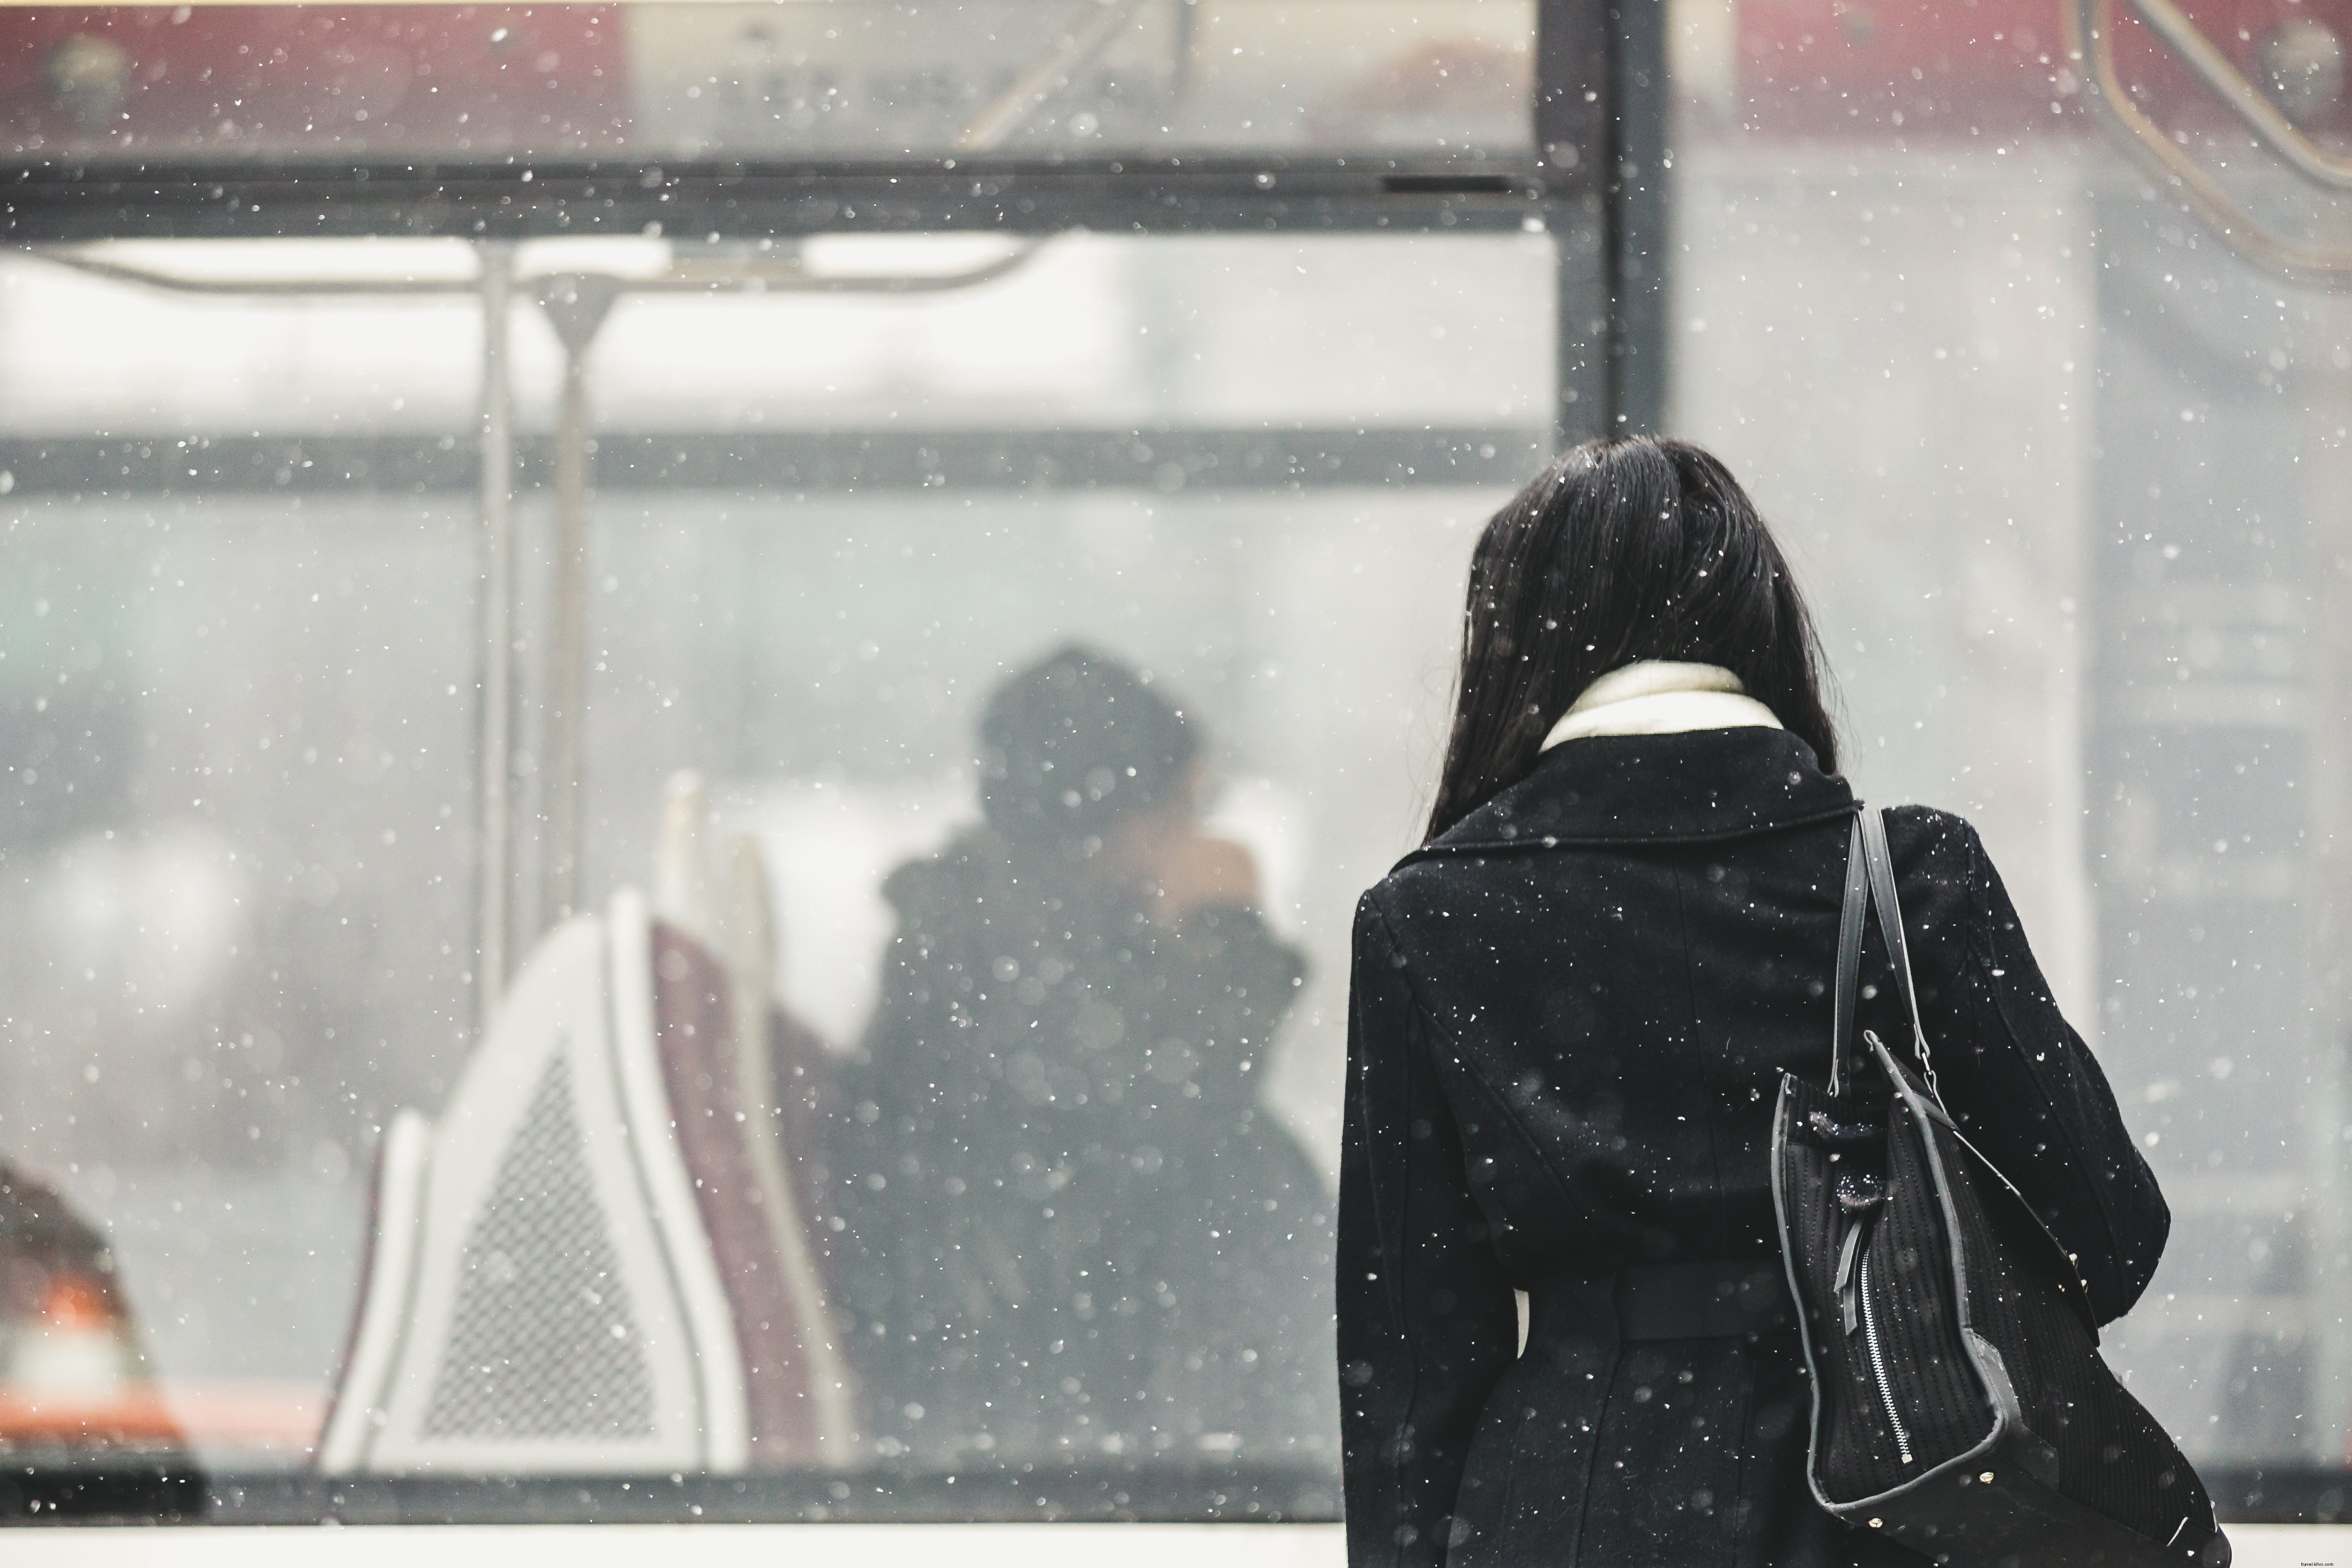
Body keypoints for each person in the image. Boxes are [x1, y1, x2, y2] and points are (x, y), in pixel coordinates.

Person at [1337, 437, 2167, 1566]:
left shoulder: (1429, 915)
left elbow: (1415, 1363)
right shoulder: (1905, 876)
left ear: (1512, 642)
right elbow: (2108, 1236)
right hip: (1905, 1492)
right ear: (1758, 624)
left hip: (1574, 1509)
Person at [831, 643, 1334, 1467]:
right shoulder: (994, 954)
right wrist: (1221, 929)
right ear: (1126, 818)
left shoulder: (1007, 941)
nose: (1199, 838)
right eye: (1188, 809)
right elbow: (1182, 1107)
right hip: (1036, 1410)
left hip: (1068, 1380)